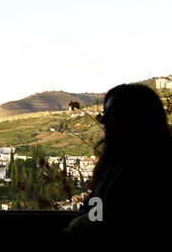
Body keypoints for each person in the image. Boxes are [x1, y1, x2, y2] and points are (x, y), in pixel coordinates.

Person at [66, 83, 172, 232]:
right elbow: (95, 210)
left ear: (139, 118)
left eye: (113, 113)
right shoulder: (108, 167)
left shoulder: (156, 175)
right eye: (105, 113)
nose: (102, 120)